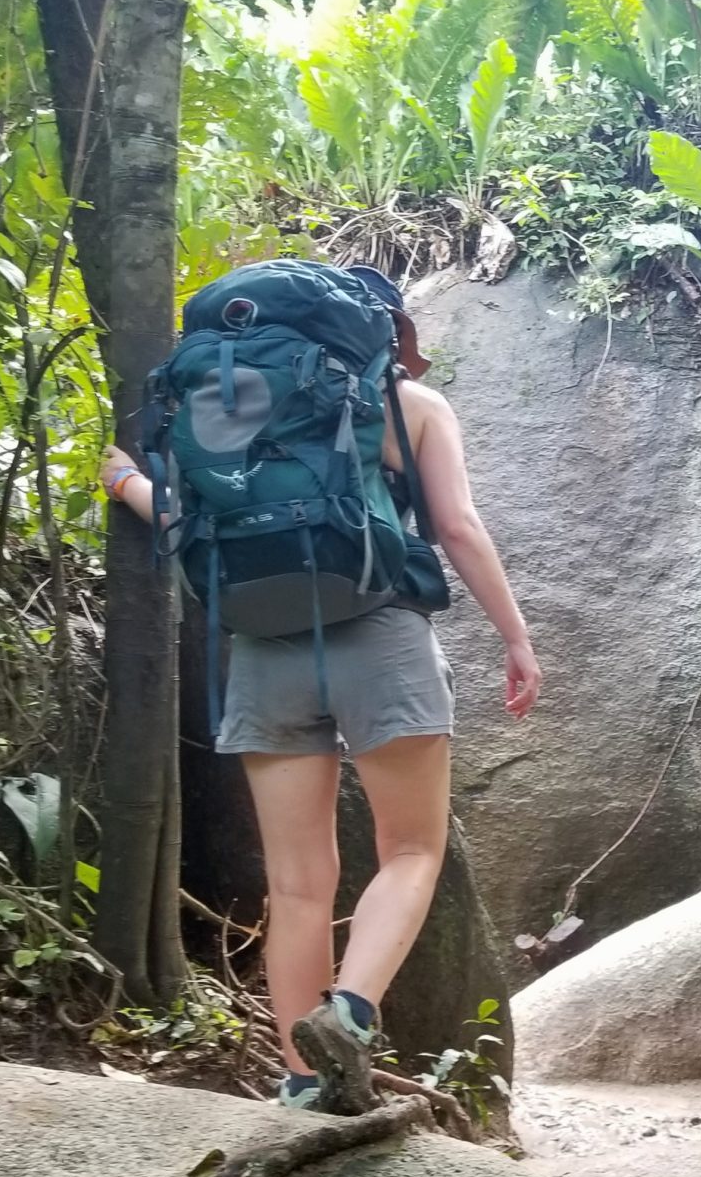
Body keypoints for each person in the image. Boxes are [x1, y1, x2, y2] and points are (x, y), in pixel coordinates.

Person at [101, 268, 540, 1113]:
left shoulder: (223, 401)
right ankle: (350, 1011)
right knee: (410, 850)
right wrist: (515, 638)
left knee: (298, 884)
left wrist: (125, 482)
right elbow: (455, 528)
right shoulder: (410, 405)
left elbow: (192, 517)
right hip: (377, 631)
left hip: (261, 646)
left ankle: (302, 1085)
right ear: (377, 331)